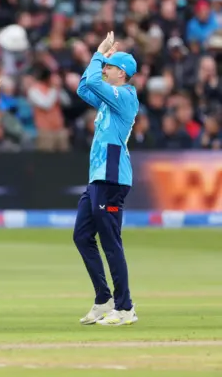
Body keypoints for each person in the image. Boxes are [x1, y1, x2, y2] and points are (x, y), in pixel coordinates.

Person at [74, 32, 140, 326]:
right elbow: (82, 87)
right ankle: (104, 299)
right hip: (98, 178)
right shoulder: (108, 100)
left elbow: (91, 81)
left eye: (109, 67)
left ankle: (125, 307)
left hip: (112, 178)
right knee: (82, 236)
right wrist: (99, 57)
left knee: (111, 241)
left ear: (121, 73)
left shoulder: (125, 97)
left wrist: (100, 52)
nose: (104, 69)